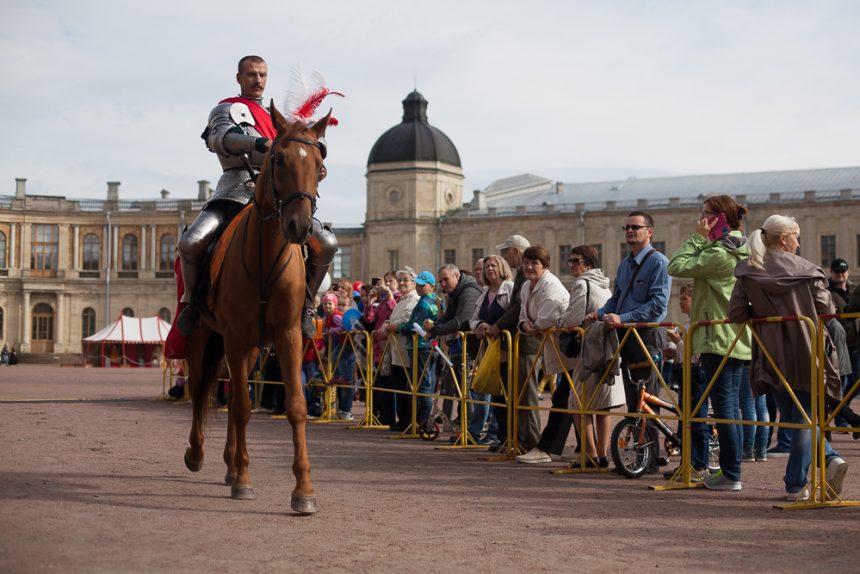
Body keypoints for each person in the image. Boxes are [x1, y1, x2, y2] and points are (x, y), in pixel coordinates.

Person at [176, 55, 336, 340]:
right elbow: (220, 139)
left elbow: (307, 149)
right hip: (236, 188)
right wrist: (260, 142)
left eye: (262, 75)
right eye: (251, 74)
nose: (257, 80)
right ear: (239, 77)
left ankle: (306, 307)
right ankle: (192, 302)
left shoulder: (284, 121)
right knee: (191, 241)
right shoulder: (226, 108)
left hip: (279, 197)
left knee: (326, 243)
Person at [728, 214, 849, 501]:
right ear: (783, 239)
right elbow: (827, 309)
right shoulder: (808, 270)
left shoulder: (748, 271)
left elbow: (735, 313)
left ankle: (826, 460)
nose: (798, 242)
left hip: (770, 353)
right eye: (795, 236)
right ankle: (797, 481)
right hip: (806, 349)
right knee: (805, 416)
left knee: (794, 416)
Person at [668, 195, 752, 491]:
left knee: (725, 408)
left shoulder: (721, 254)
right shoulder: (737, 247)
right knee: (732, 407)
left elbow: (675, 266)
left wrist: (696, 238)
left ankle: (731, 474)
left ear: (721, 219)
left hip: (718, 339)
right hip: (734, 339)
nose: (701, 220)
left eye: (706, 215)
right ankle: (731, 471)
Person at [593, 211, 671, 469]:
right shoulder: (625, 264)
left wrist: (623, 317)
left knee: (647, 397)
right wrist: (600, 313)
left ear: (650, 232)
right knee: (633, 397)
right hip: (626, 336)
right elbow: (617, 298)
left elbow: (658, 306)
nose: (630, 231)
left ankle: (646, 459)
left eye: (636, 227)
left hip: (647, 337)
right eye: (627, 227)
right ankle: (642, 455)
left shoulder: (658, 262)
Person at [563, 245, 624, 469]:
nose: (570, 265)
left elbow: (572, 318)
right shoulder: (604, 285)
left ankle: (587, 454)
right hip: (607, 350)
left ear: (588, 263)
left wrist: (559, 324)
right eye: (569, 261)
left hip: (588, 349)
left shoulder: (581, 284)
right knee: (602, 405)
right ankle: (602, 454)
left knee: (578, 403)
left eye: (575, 261)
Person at [514, 245, 574, 463]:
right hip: (552, 348)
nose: (529, 267)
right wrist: (526, 325)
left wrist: (534, 326)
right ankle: (582, 450)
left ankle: (546, 448)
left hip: (567, 349)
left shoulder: (552, 286)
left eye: (534, 263)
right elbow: (523, 315)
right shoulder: (526, 287)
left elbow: (548, 316)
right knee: (568, 399)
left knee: (566, 399)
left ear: (545, 266)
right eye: (527, 262)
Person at [488, 234, 542, 451]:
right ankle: (520, 439)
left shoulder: (524, 276)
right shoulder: (521, 275)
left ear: (517, 251)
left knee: (526, 396)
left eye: (506, 251)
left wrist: (497, 325)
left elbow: (517, 307)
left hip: (527, 342)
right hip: (520, 341)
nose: (504, 256)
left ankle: (531, 442)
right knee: (519, 395)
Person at [423, 264, 482, 442]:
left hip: (472, 348)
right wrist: (433, 323)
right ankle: (466, 427)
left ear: (457, 276)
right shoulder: (455, 293)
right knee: (460, 387)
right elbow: (447, 317)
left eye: (446, 279)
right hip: (462, 347)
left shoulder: (469, 291)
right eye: (440, 281)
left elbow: (459, 322)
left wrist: (435, 330)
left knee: (468, 389)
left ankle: (472, 429)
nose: (443, 284)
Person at [471, 254, 515, 452]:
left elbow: (515, 314)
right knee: (496, 394)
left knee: (508, 393)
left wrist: (496, 327)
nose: (490, 270)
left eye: (493, 266)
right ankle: (501, 437)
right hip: (491, 350)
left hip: (508, 348)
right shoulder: (484, 293)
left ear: (502, 268)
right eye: (487, 266)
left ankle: (512, 437)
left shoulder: (511, 289)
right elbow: (473, 319)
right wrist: (480, 326)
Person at [392, 271, 439, 426]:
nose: (419, 287)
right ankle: (421, 421)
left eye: (422, 285)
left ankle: (423, 422)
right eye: (418, 284)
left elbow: (413, 325)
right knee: (423, 383)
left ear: (432, 286)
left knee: (422, 385)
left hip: (421, 346)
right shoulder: (435, 300)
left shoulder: (425, 303)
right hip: (426, 346)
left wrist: (397, 327)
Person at [383, 268, 421, 431]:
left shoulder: (414, 299)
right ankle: (403, 419)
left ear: (414, 282)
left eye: (406, 280)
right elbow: (393, 319)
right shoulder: (402, 300)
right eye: (401, 280)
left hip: (406, 349)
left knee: (406, 387)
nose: (403, 283)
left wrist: (392, 326)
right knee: (399, 386)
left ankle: (408, 420)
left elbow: (406, 320)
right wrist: (388, 325)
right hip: (396, 350)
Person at [828, 258, 859, 405]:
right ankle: (842, 421)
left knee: (857, 381)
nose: (840, 274)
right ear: (831, 272)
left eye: (843, 271)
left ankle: (841, 409)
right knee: (841, 383)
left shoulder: (854, 289)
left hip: (855, 344)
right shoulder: (826, 291)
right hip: (837, 345)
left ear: (848, 272)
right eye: (836, 271)